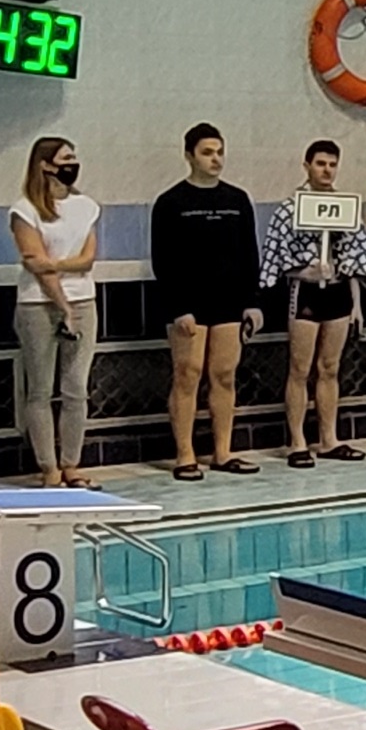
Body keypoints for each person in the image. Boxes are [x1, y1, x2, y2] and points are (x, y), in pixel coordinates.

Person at [152, 123, 262, 480]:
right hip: (188, 302)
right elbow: (163, 261)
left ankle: (223, 451)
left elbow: (249, 255)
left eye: (219, 152)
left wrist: (252, 302)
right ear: (189, 156)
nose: (216, 159)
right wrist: (177, 308)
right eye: (207, 153)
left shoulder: (237, 200)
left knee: (224, 374)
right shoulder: (171, 202)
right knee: (188, 374)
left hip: (228, 300)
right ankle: (185, 454)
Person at [261, 139, 366, 468]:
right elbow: (274, 255)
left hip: (338, 292)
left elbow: (357, 257)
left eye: (332, 164)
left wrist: (357, 305)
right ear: (307, 166)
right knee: (300, 369)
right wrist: (302, 270)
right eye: (321, 164)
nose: (327, 170)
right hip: (305, 292)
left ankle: (328, 438)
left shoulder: (346, 208)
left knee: (330, 368)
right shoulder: (289, 209)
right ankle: (297, 441)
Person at [9, 136, 100, 489]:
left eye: (74, 157)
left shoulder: (86, 207)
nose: (72, 164)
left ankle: (72, 464)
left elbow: (86, 260)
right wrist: (62, 305)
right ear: (45, 165)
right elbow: (34, 264)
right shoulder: (25, 210)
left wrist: (54, 263)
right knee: (41, 389)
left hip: (84, 301)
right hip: (37, 305)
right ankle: (49, 469)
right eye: (65, 158)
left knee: (76, 388)